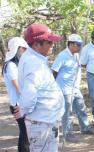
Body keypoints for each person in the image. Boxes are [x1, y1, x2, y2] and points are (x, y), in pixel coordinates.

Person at [18, 23, 65, 152]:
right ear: (36, 44)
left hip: (45, 121)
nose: (53, 45)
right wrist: (31, 114)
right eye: (49, 42)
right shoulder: (33, 64)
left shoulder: (37, 59)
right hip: (40, 123)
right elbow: (29, 96)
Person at [51, 34, 94, 143]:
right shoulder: (62, 56)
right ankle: (68, 133)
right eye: (78, 45)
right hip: (65, 90)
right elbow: (54, 72)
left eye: (80, 45)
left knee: (81, 107)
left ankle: (85, 128)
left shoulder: (76, 55)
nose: (79, 47)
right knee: (67, 112)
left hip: (75, 88)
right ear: (71, 44)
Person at [2, 37, 29, 152]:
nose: (25, 51)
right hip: (18, 105)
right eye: (23, 49)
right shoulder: (11, 66)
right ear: (16, 49)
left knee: (24, 135)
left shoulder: (18, 64)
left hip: (21, 103)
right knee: (27, 136)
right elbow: (18, 87)